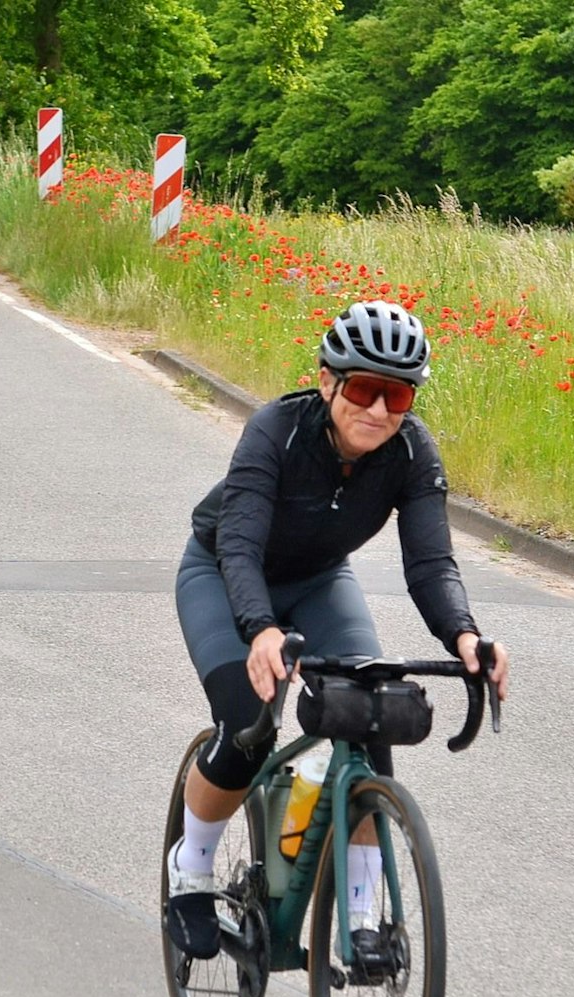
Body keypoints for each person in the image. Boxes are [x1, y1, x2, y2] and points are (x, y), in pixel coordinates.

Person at [164, 299, 511, 961]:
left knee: (369, 717)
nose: (379, 409)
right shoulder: (275, 431)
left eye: (398, 393)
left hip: (320, 579)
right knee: (246, 719)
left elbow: (431, 562)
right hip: (224, 572)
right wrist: (260, 628)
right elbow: (237, 545)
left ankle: (361, 920)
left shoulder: (410, 452)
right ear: (328, 381)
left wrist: (467, 638)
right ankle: (193, 868)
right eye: (363, 388)